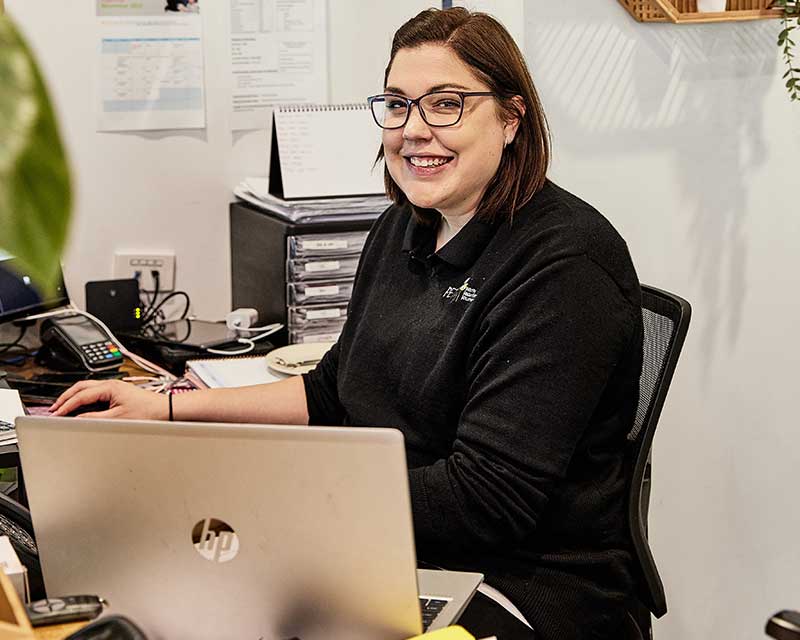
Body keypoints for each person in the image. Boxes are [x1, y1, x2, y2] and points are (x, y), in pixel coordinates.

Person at [52, 8, 643, 639]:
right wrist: (162, 409)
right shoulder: (405, 226)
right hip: (392, 547)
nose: (415, 130)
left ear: (509, 118)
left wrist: (287, 510)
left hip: (523, 583)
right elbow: (332, 391)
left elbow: (486, 499)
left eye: (446, 104)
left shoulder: (564, 266)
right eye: (397, 104)